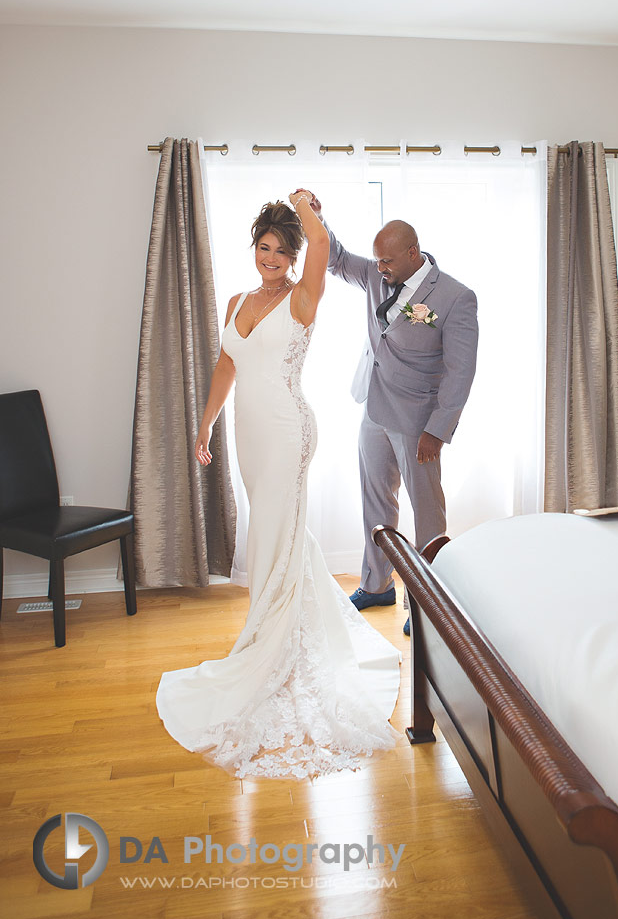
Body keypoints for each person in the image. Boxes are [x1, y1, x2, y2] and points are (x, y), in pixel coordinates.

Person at [156, 193, 401, 779]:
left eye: (280, 249)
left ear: (292, 255)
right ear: (255, 249)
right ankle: (268, 628)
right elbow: (225, 364)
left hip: (289, 430)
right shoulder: (238, 301)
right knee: (274, 533)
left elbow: (322, 244)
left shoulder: (302, 297)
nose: (271, 257)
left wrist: (304, 208)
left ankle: (272, 647)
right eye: (264, 248)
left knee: (276, 530)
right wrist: (207, 420)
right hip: (248, 433)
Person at [298, 191, 478, 634]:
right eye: (377, 261)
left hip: (419, 421)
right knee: (376, 500)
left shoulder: (455, 298)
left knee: (426, 511)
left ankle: (432, 603)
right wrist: (316, 217)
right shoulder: (378, 275)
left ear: (413, 253)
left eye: (387, 261)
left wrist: (437, 431)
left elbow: (460, 372)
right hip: (375, 408)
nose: (379, 268)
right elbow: (337, 259)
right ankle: (377, 584)